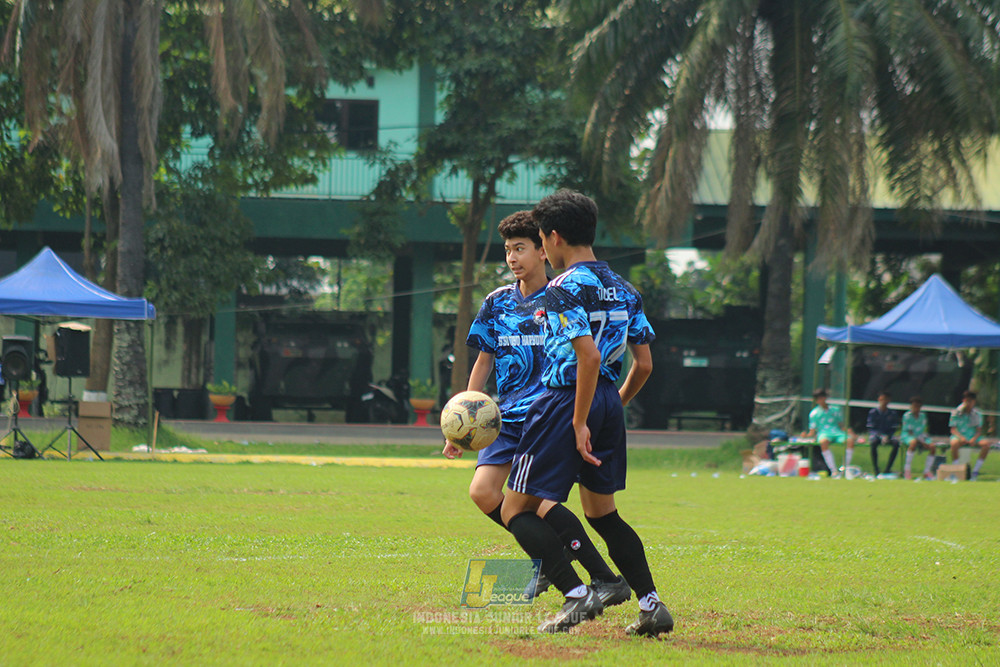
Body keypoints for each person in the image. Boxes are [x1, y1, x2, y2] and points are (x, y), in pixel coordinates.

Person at [499, 190, 672, 636]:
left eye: (541, 238)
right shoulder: (625, 288)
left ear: (554, 237)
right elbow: (644, 364)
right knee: (602, 514)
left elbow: (588, 357)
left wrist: (579, 421)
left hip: (564, 401)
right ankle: (651, 605)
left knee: (515, 508)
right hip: (607, 400)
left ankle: (577, 595)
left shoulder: (562, 287)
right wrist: (609, 406)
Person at [441, 211, 629, 608]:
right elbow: (484, 361)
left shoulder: (561, 296)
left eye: (520, 248)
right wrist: (463, 422)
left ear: (543, 250)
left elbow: (587, 356)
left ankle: (600, 577)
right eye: (507, 250)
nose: (512, 257)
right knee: (483, 492)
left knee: (538, 504)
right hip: (503, 418)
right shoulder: (496, 302)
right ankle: (549, 558)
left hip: (546, 415)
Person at [802, 388, 857, 478]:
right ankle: (833, 470)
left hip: (837, 432)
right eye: (818, 399)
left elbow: (841, 425)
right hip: (824, 433)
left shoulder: (835, 410)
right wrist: (806, 436)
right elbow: (812, 431)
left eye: (822, 397)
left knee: (850, 441)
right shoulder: (814, 413)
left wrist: (851, 433)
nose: (820, 400)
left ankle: (845, 468)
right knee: (823, 442)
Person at [949, 390, 990, 480]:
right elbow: (953, 429)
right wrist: (961, 438)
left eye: (971, 401)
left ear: (974, 402)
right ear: (963, 401)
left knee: (986, 444)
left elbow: (979, 431)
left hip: (973, 437)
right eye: (967, 401)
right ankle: (956, 470)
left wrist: (974, 439)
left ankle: (975, 472)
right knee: (954, 444)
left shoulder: (977, 414)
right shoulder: (956, 412)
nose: (968, 404)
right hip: (959, 436)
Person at [901, 396, 936, 480]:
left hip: (921, 436)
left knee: (932, 446)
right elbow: (910, 432)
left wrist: (925, 441)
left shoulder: (923, 416)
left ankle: (927, 471)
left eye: (918, 406)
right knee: (913, 443)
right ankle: (907, 470)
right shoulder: (907, 416)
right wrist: (922, 442)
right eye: (914, 406)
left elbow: (923, 431)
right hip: (908, 436)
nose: (916, 408)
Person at [866, 391, 900, 476]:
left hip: (888, 435)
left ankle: (888, 468)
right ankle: (876, 469)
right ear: (879, 400)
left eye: (886, 399)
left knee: (896, 443)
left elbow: (893, 428)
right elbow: (871, 428)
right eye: (882, 399)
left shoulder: (892, 413)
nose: (884, 401)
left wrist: (887, 436)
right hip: (876, 435)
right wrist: (881, 436)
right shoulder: (873, 412)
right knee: (873, 443)